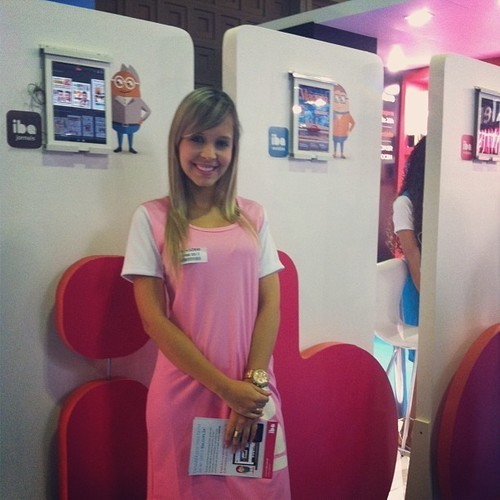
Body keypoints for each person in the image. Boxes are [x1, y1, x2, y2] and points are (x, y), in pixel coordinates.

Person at [122, 88, 291, 499]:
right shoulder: (151, 218)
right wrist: (226, 389)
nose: (209, 153)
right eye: (197, 138)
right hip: (185, 396)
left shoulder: (253, 217)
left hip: (252, 393)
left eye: (222, 142)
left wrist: (250, 389)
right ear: (178, 143)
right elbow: (153, 320)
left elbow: (270, 303)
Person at [388, 135, 426, 449]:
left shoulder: (441, 200)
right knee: (425, 360)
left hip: (441, 285)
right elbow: (413, 257)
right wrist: (433, 298)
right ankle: (412, 434)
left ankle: (416, 433)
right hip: (419, 287)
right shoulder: (406, 203)